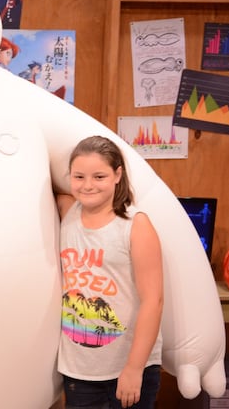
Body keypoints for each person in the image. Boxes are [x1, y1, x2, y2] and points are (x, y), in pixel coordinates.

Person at [55, 136, 164, 409]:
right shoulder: (68, 212)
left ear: (117, 174)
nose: (88, 185)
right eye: (79, 176)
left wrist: (134, 368)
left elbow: (154, 300)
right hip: (79, 370)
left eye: (99, 176)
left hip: (127, 367)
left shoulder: (134, 224)